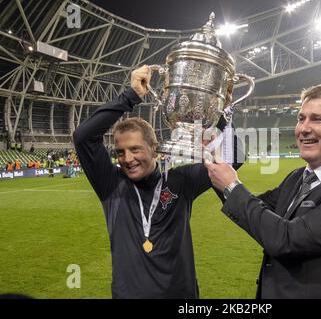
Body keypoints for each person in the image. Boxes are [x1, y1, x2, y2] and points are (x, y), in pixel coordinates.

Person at [73, 65, 242, 299]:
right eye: (120, 152)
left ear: (154, 149)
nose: (127, 159)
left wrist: (221, 112)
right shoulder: (111, 183)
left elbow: (235, 158)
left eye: (135, 149)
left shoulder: (181, 181)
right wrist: (130, 96)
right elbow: (83, 137)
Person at [205, 84, 321, 299]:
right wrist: (217, 133)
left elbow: (287, 240)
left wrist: (232, 186)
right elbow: (254, 211)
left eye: (317, 119)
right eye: (301, 118)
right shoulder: (297, 177)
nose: (303, 128)